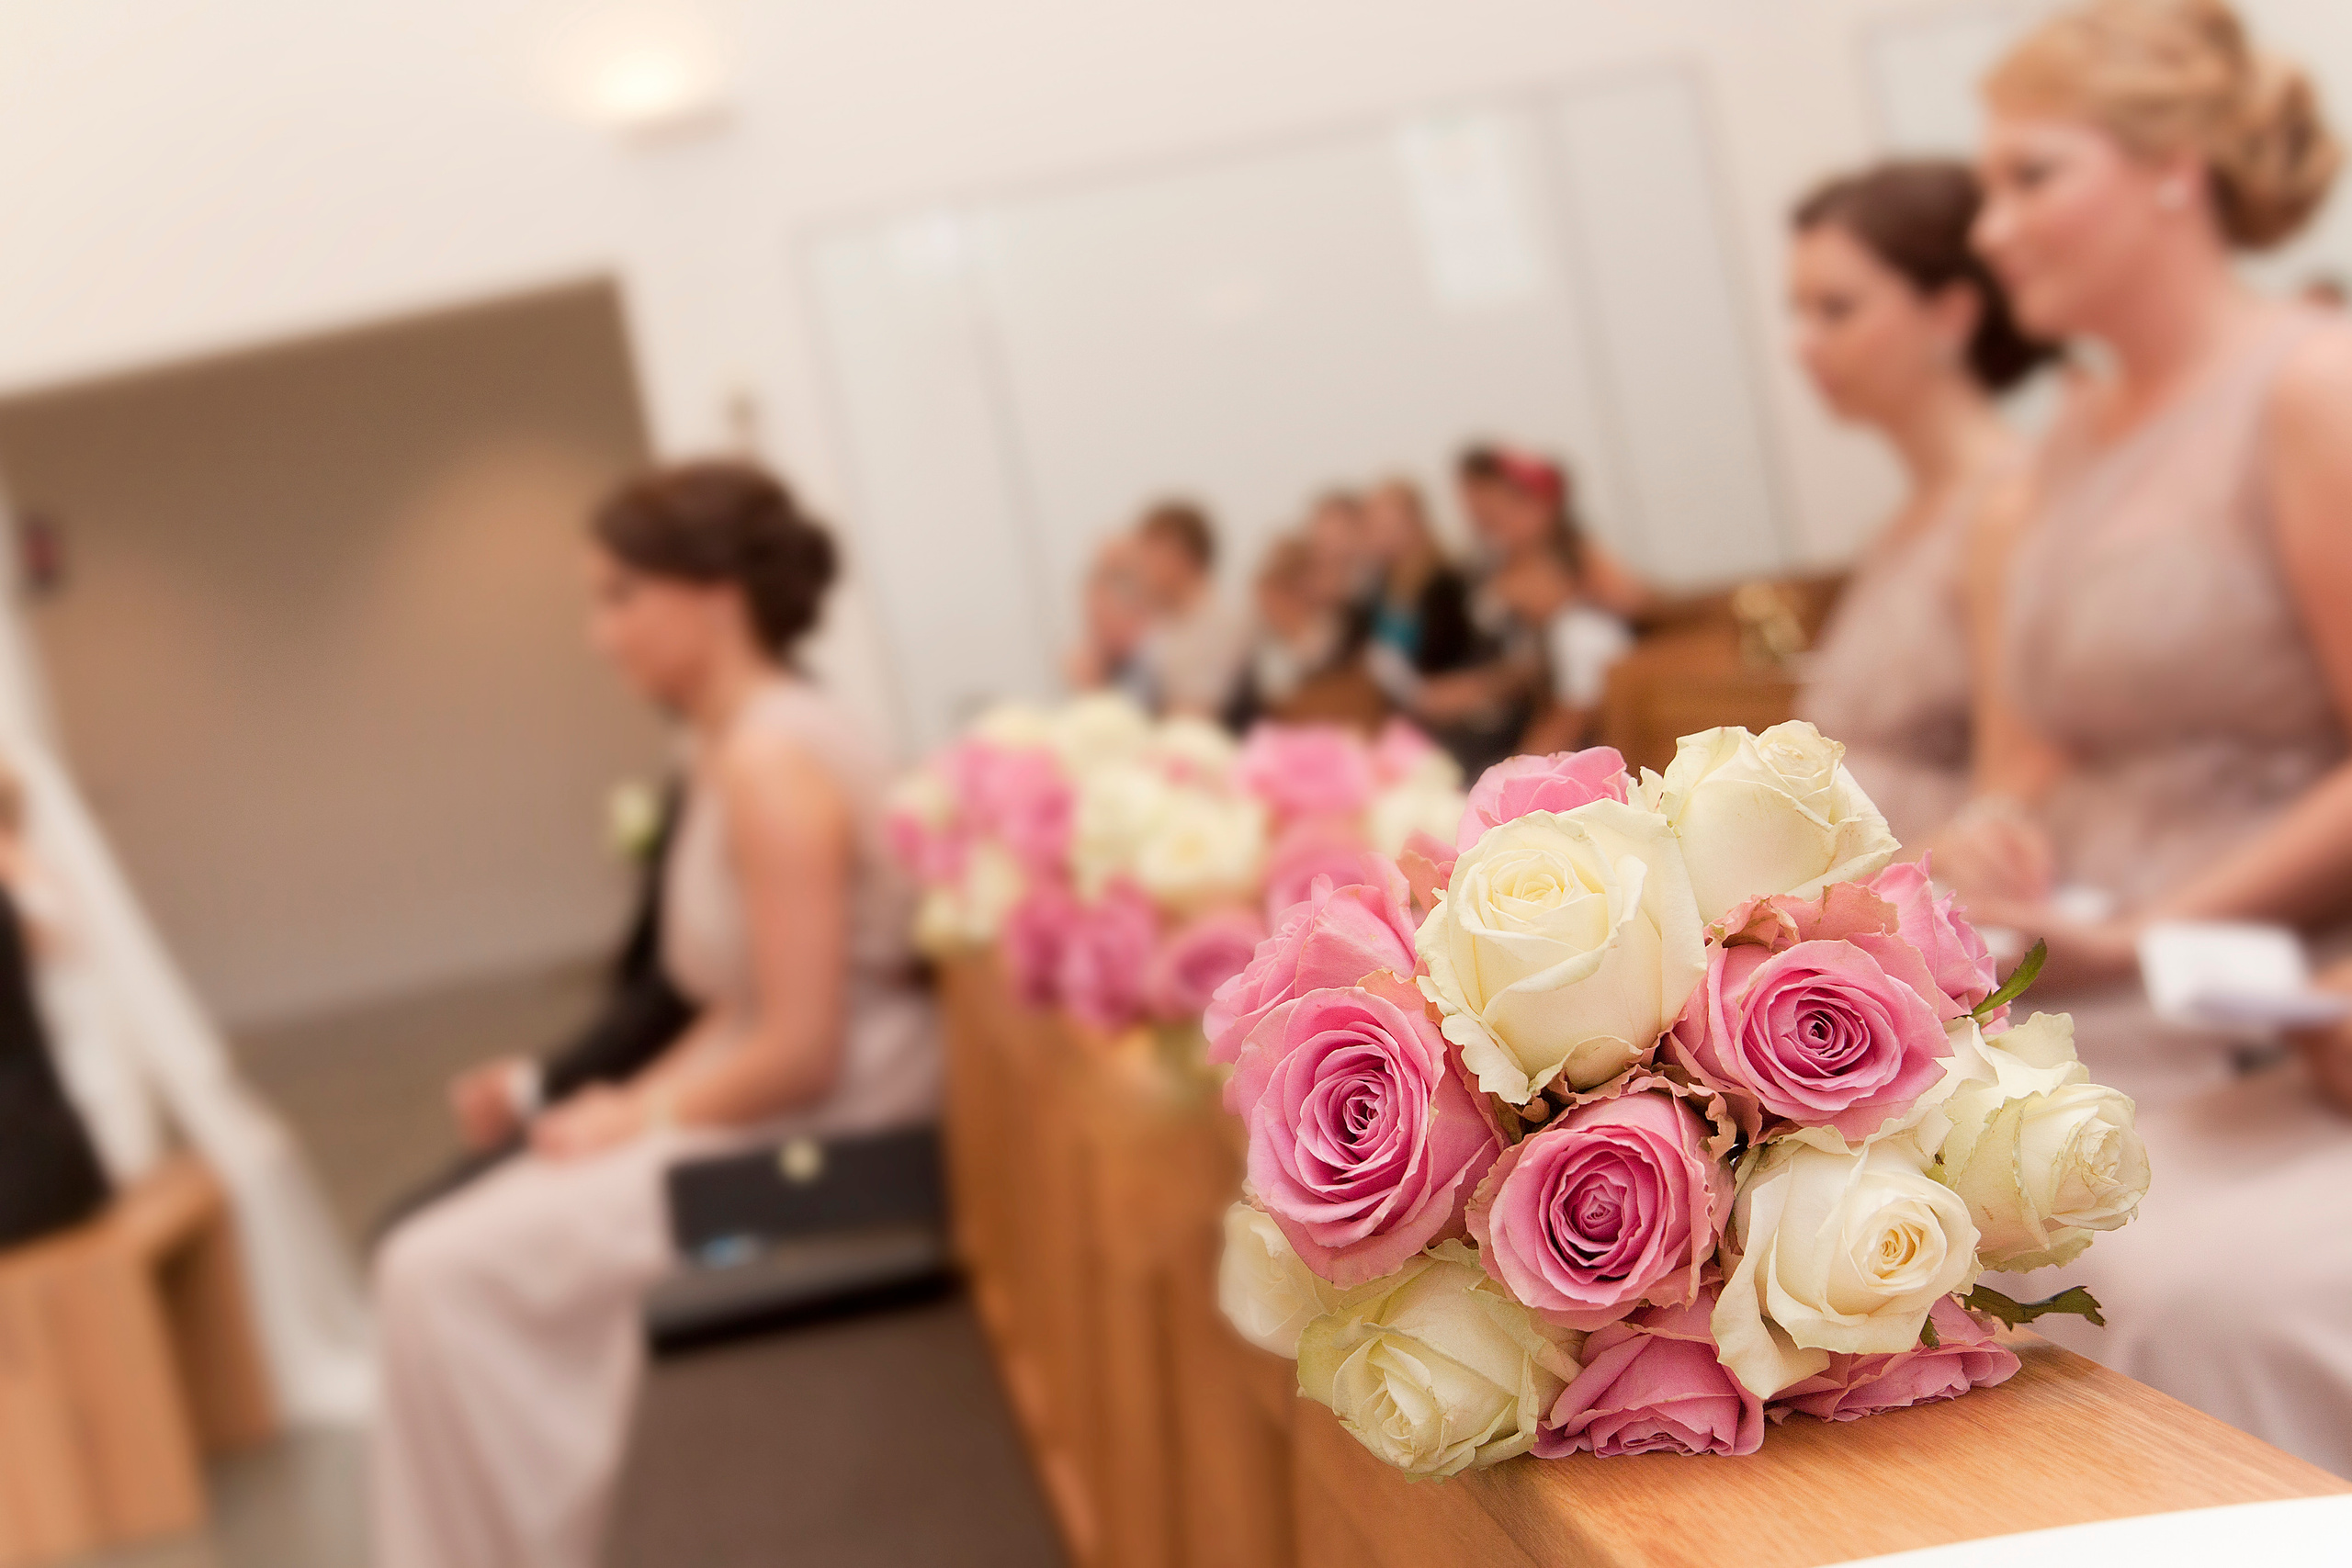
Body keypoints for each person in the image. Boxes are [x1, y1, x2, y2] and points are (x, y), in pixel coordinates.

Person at [372, 460, 939, 1567]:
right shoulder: (728, 744)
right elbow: (737, 1005)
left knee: (437, 1276)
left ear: (717, 595)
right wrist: (624, 1100)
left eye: (619, 596)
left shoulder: (776, 760)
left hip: (841, 1121)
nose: (599, 635)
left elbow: (800, 1045)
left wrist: (641, 1121)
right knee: (434, 1255)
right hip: (771, 1091)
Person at [1951, 0, 2352, 1476]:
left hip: (2264, 1004)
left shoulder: (2312, 389)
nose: (1991, 229)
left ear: (2176, 168)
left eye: (2030, 177)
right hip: (2069, 992)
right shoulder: (2055, 453)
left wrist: (2157, 934)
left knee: (2161, 1290)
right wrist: (1990, 839)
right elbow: (2031, 750)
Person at [1787, 160, 2052, 849]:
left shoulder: (2015, 501)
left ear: (1951, 313)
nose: (1804, 344)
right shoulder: (1898, 525)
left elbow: (2018, 786)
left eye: (1837, 309)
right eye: (1800, 312)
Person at [1455, 445, 1646, 758]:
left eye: (1508, 508)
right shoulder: (1496, 573)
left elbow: (1572, 713)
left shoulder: (1583, 626)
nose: (1495, 527)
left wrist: (1515, 773)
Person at [1131, 501, 1248, 719]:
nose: (1141, 566)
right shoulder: (1161, 623)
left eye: (1149, 553)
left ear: (1181, 557)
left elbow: (1197, 712)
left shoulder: (1223, 620)